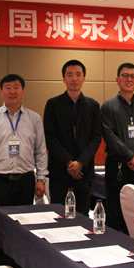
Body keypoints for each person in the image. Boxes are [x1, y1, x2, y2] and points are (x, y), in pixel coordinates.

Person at [0, 74, 48, 265]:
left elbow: (41, 151)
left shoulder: (34, 119)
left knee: (22, 227)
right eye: (7, 87)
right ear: (2, 92)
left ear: (23, 91)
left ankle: (19, 266)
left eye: (16, 87)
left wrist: (41, 179)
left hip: (25, 181)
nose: (12, 91)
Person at [101, 63, 134, 232]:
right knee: (115, 212)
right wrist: (131, 156)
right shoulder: (108, 107)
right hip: (117, 167)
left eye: (133, 76)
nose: (129, 79)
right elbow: (109, 136)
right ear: (117, 80)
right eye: (125, 75)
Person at [44, 60, 102, 216]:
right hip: (60, 171)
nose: (74, 78)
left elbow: (96, 137)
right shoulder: (53, 104)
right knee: (58, 215)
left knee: (82, 215)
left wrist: (80, 163)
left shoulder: (93, 106)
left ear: (84, 78)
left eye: (78, 74)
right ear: (63, 79)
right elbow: (50, 138)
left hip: (84, 172)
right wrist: (69, 163)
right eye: (69, 75)